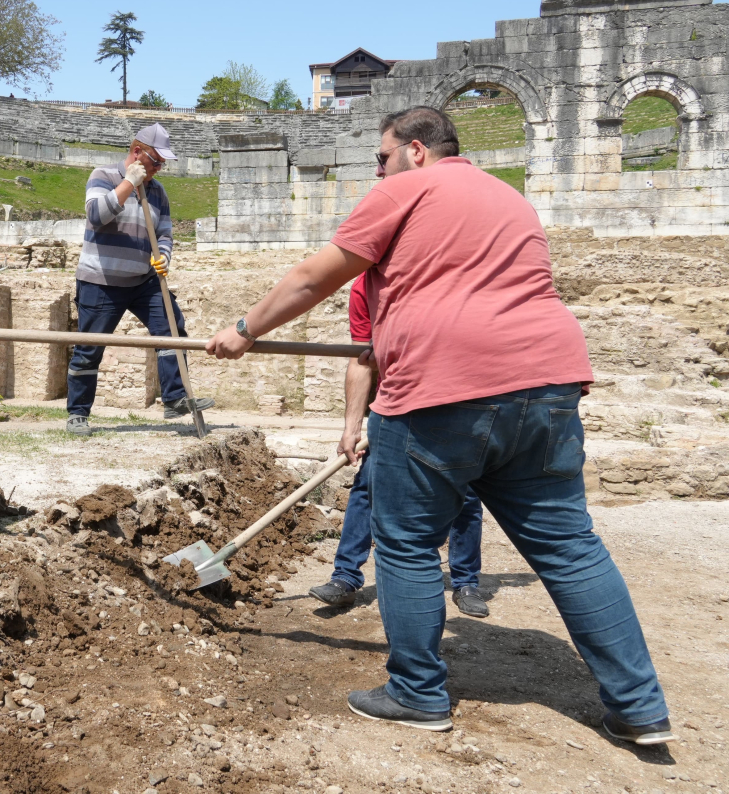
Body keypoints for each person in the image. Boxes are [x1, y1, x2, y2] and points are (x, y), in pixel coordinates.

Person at [206, 106, 671, 744]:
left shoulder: (404, 187)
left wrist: (243, 330)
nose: (377, 168)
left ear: (416, 150)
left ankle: (418, 693)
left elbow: (316, 276)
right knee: (570, 549)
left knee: (405, 543)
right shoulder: (511, 200)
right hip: (550, 381)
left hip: (442, 386)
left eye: (381, 155)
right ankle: (640, 707)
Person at [309, 275, 488, 619]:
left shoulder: (445, 276)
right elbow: (361, 360)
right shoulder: (364, 286)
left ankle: (465, 581)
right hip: (394, 403)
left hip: (457, 399)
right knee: (366, 487)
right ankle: (345, 578)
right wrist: (352, 428)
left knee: (464, 495)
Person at [66, 122, 213, 436]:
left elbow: (165, 234)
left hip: (145, 282)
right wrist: (128, 185)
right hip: (101, 280)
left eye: (162, 164)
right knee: (89, 347)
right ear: (136, 152)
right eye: (155, 161)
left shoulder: (158, 192)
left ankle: (175, 398)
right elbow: (96, 216)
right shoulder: (103, 176)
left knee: (171, 328)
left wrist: (163, 257)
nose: (159, 168)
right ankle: (78, 414)